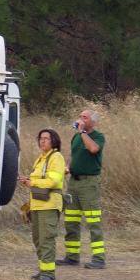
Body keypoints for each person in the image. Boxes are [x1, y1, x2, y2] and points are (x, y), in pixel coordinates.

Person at [59, 109, 106, 269]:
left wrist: (82, 132)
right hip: (73, 183)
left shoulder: (98, 136)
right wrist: (67, 167)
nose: (80, 119)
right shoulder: (76, 137)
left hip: (89, 183)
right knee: (71, 220)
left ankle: (99, 259)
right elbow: (73, 155)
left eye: (84, 117)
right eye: (80, 117)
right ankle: (72, 257)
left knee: (93, 221)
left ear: (93, 121)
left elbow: (93, 149)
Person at [18, 129, 65, 280]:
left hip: (49, 205)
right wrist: (28, 181)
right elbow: (40, 180)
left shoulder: (56, 157)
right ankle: (43, 270)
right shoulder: (41, 158)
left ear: (54, 141)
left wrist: (32, 182)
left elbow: (54, 181)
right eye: (40, 138)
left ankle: (49, 273)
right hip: (37, 205)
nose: (42, 141)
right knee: (38, 239)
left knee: (46, 239)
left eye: (46, 138)